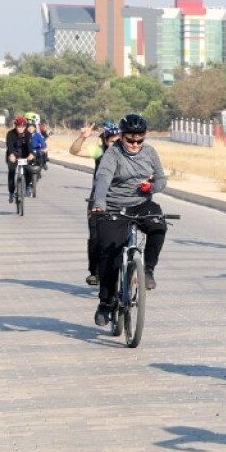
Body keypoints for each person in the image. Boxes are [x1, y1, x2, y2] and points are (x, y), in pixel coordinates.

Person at [89, 114, 169, 326]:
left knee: (159, 226)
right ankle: (106, 302)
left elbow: (161, 179)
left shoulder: (150, 153)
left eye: (139, 140)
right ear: (121, 137)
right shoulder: (112, 154)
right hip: (114, 206)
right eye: (130, 139)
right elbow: (103, 177)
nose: (135, 144)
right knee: (109, 253)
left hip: (141, 204)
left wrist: (151, 187)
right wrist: (99, 202)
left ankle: (148, 270)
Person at [71, 120, 121, 285]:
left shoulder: (128, 154)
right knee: (95, 238)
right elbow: (75, 151)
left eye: (119, 140)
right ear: (106, 141)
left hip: (121, 200)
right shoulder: (99, 151)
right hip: (98, 199)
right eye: (112, 141)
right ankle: (95, 272)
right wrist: (82, 137)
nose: (116, 144)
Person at [4, 116, 37, 202]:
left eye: (22, 126)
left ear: (25, 126)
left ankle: (28, 186)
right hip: (13, 156)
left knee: (29, 169)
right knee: (11, 171)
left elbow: (30, 146)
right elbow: (9, 146)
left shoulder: (28, 134)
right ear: (15, 126)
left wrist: (31, 154)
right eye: (18, 126)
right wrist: (11, 155)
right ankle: (11, 192)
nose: (20, 129)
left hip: (25, 155)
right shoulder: (10, 134)